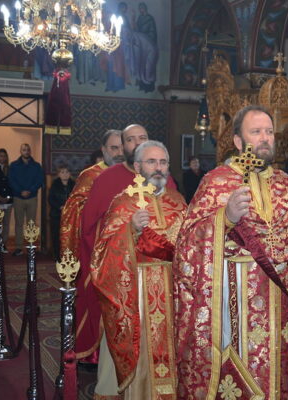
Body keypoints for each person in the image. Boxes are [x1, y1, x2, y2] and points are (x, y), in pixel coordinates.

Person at [173, 105, 288, 399]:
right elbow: (186, 244)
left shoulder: (286, 184)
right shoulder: (216, 181)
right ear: (238, 141)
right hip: (234, 297)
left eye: (269, 132)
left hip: (283, 297)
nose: (265, 138)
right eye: (256, 132)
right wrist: (224, 218)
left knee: (282, 373)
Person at [91, 141, 187, 399]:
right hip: (137, 291)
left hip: (172, 291)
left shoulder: (178, 201)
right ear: (137, 167)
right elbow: (102, 253)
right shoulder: (123, 202)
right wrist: (130, 229)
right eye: (151, 162)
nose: (158, 168)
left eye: (163, 162)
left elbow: (191, 246)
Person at [75, 125, 176, 364]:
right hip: (120, 270)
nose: (137, 143)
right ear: (123, 145)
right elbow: (90, 227)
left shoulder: (165, 180)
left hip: (159, 275)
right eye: (131, 140)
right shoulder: (107, 179)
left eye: (143, 138)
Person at [60, 129, 124, 261]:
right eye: (114, 148)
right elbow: (72, 209)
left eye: (123, 148)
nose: (120, 153)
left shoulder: (134, 173)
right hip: (99, 239)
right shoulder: (90, 175)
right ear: (103, 149)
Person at [9, 143, 44, 256]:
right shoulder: (14, 165)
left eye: (28, 150)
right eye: (24, 150)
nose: (26, 151)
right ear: (20, 151)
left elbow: (40, 180)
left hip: (32, 197)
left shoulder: (37, 166)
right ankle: (18, 248)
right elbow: (11, 180)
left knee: (31, 223)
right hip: (18, 197)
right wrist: (20, 191)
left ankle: (31, 246)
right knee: (19, 223)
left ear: (30, 151)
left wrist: (30, 190)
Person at [48, 164, 75, 260]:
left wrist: (69, 207)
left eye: (67, 172)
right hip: (57, 215)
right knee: (56, 236)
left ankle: (69, 256)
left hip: (70, 215)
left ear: (70, 174)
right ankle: (57, 256)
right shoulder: (54, 185)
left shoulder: (74, 184)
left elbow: (76, 198)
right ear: (58, 174)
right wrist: (60, 207)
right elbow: (51, 199)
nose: (65, 174)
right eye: (62, 172)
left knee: (70, 236)